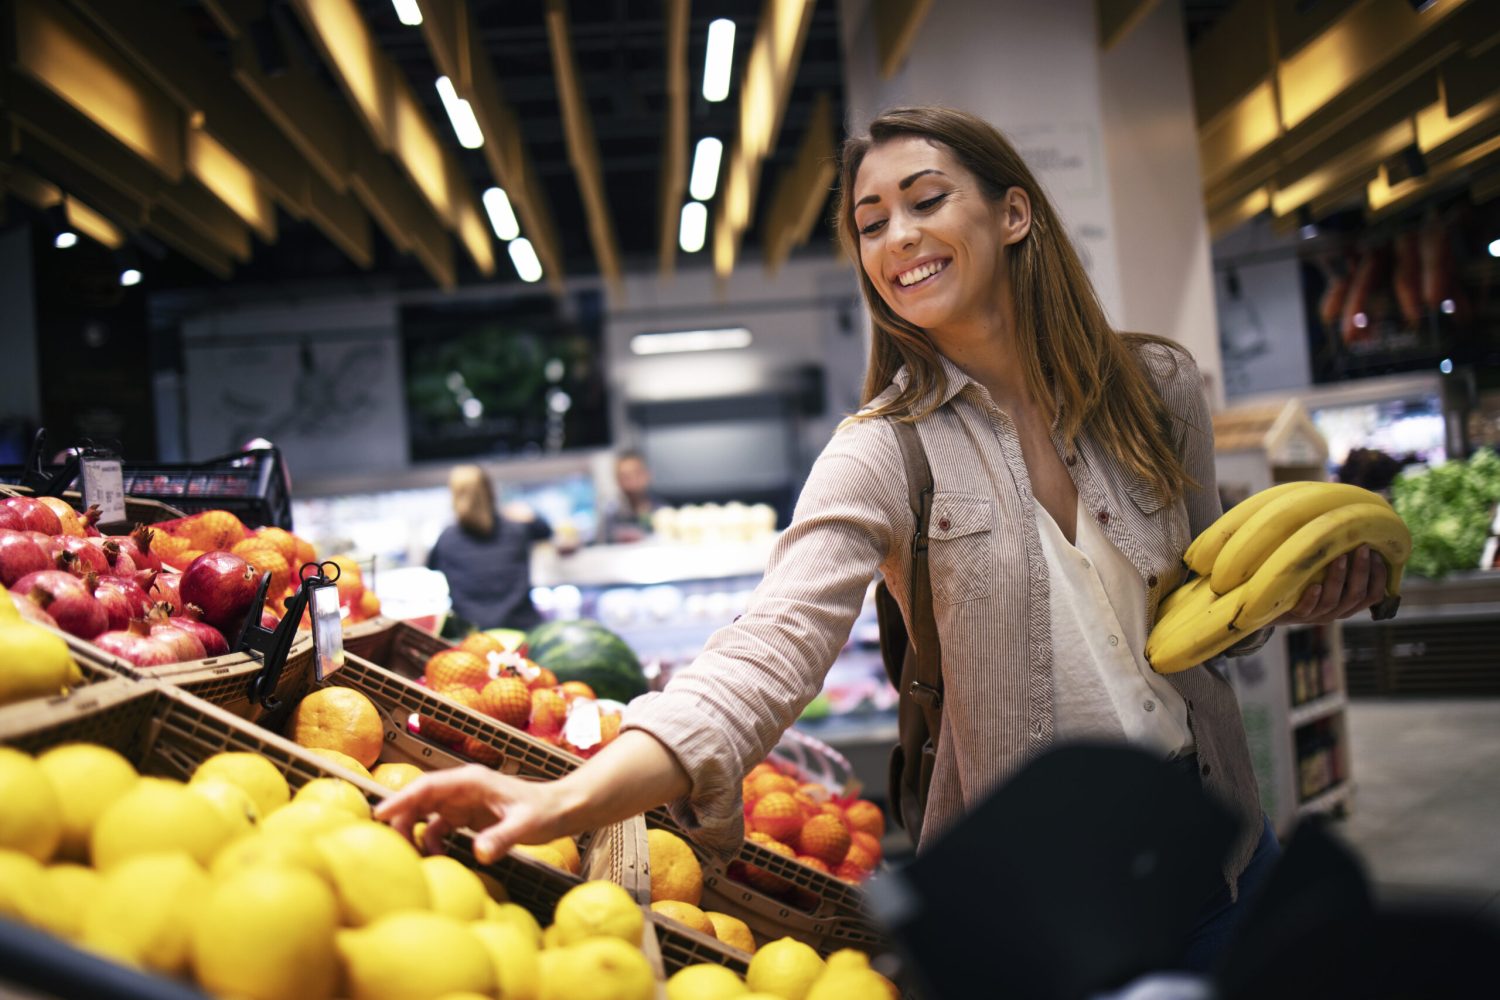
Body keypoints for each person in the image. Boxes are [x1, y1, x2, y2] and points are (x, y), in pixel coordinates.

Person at [378, 107, 1389, 971]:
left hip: (1220, 854)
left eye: (925, 199)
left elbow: (1210, 609)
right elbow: (763, 655)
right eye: (871, 222)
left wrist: (1301, 595)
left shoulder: (1159, 390)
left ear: (1013, 210)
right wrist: (563, 794)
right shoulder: (883, 454)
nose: (897, 234)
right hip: (1037, 907)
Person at [426, 465, 551, 632]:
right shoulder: (516, 530)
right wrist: (529, 514)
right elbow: (546, 531)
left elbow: (431, 565)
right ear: (490, 491)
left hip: (473, 636)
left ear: (455, 496)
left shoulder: (446, 539)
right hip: (523, 630)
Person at [600, 449, 659, 544]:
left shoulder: (661, 509)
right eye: (625, 477)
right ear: (617, 480)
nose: (632, 481)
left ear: (646, 474)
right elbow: (604, 541)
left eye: (636, 474)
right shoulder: (612, 510)